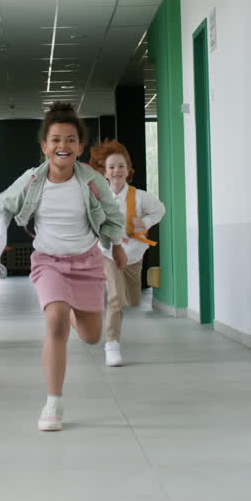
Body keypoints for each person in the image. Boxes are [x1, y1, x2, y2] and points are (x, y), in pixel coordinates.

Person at [0, 104, 125, 431]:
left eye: (70, 139)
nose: (63, 145)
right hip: (48, 261)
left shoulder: (92, 181)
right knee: (56, 322)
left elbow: (112, 216)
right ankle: (53, 403)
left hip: (87, 261)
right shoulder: (32, 180)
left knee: (92, 336)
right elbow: (2, 204)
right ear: (45, 146)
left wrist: (116, 244)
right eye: (56, 139)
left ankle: (71, 310)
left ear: (80, 147)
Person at [87, 139, 166, 367]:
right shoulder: (99, 199)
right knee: (115, 299)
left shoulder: (140, 196)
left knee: (131, 299)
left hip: (134, 255)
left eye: (121, 166)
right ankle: (112, 345)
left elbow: (160, 210)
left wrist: (145, 222)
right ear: (104, 172)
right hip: (109, 254)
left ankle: (121, 305)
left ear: (128, 169)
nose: (116, 170)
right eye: (111, 167)